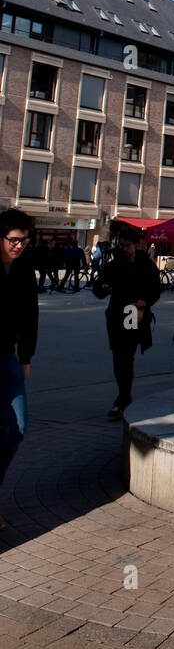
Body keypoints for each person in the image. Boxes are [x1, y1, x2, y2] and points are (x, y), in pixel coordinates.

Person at [92, 226, 161, 419]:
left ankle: (123, 399)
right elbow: (97, 289)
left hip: (133, 313)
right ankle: (123, 396)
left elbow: (156, 288)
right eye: (121, 245)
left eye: (127, 245)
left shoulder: (145, 265)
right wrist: (103, 287)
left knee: (125, 355)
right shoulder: (114, 265)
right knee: (118, 356)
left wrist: (145, 300)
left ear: (135, 245)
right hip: (116, 313)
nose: (124, 249)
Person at [0, 209, 37, 529]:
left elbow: (30, 314)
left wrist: (26, 357)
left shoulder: (24, 266)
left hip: (9, 360)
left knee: (18, 428)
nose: (19, 246)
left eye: (24, 240)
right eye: (14, 240)